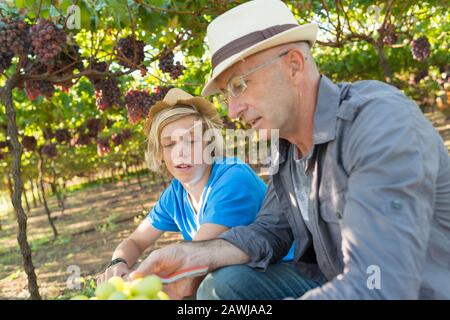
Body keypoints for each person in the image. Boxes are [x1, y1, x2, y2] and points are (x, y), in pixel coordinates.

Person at [130, 0, 450, 300]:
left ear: (294, 64)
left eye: (239, 85)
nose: (231, 110)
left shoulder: (378, 123)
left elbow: (381, 280)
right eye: (227, 93)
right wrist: (193, 256)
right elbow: (269, 230)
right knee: (222, 286)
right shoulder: (285, 150)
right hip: (334, 279)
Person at [96, 88, 270, 292]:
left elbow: (193, 258)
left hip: (279, 273)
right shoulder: (175, 194)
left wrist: (135, 282)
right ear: (160, 152)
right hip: (241, 278)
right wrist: (118, 263)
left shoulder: (233, 178)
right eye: (169, 144)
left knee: (214, 284)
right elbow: (135, 240)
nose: (181, 151)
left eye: (192, 141)